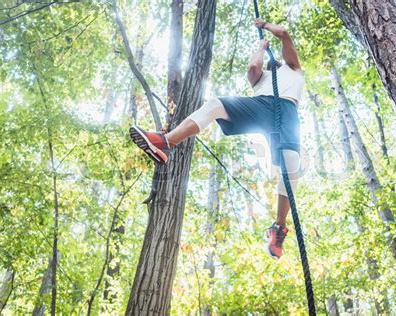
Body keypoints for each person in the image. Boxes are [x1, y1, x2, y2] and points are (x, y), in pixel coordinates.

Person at [129, 18, 303, 259]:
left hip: (287, 110)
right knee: (216, 105)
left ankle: (278, 226)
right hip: (262, 106)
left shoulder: (292, 67)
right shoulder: (261, 78)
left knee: (290, 164)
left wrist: (264, 26)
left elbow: (283, 33)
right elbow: (253, 68)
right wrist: (262, 48)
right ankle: (165, 142)